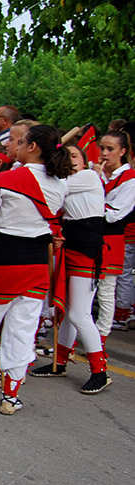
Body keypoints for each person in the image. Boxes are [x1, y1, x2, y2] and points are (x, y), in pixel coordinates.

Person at [0, 125, 71, 414]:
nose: (17, 146)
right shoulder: (60, 185)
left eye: (21, 142)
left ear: (32, 147)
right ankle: (10, 395)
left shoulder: (4, 179)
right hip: (36, 265)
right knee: (23, 329)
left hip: (2, 261)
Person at [30, 144, 110, 393]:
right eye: (66, 155)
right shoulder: (67, 180)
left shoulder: (88, 176)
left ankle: (100, 371)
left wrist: (33, 169)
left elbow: (52, 189)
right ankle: (59, 362)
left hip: (87, 251)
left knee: (79, 314)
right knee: (64, 310)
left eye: (75, 155)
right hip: (70, 248)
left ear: (85, 161)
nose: (70, 159)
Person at [94, 130, 135, 335]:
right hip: (92, 237)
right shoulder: (97, 174)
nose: (104, 153)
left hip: (111, 238)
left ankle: (102, 336)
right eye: (101, 148)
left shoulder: (130, 178)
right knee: (88, 289)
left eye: (110, 149)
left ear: (122, 151)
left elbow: (113, 214)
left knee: (106, 290)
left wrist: (95, 189)